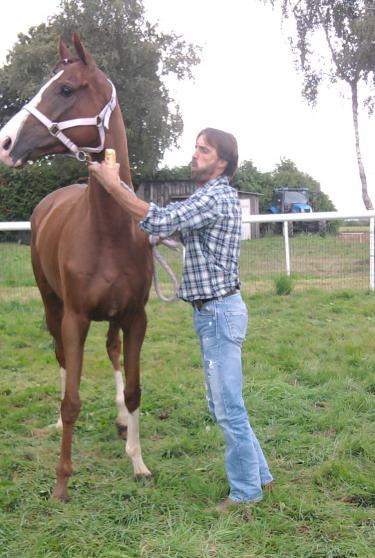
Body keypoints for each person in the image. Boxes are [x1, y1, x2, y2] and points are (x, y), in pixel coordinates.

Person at [88, 128, 273, 511]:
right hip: (213, 312)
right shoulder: (211, 197)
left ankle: (245, 494)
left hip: (218, 312)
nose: (194, 155)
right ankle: (261, 478)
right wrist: (165, 238)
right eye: (196, 148)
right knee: (225, 403)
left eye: (203, 150)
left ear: (222, 162)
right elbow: (185, 231)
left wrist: (112, 185)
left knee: (227, 407)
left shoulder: (216, 196)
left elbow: (158, 218)